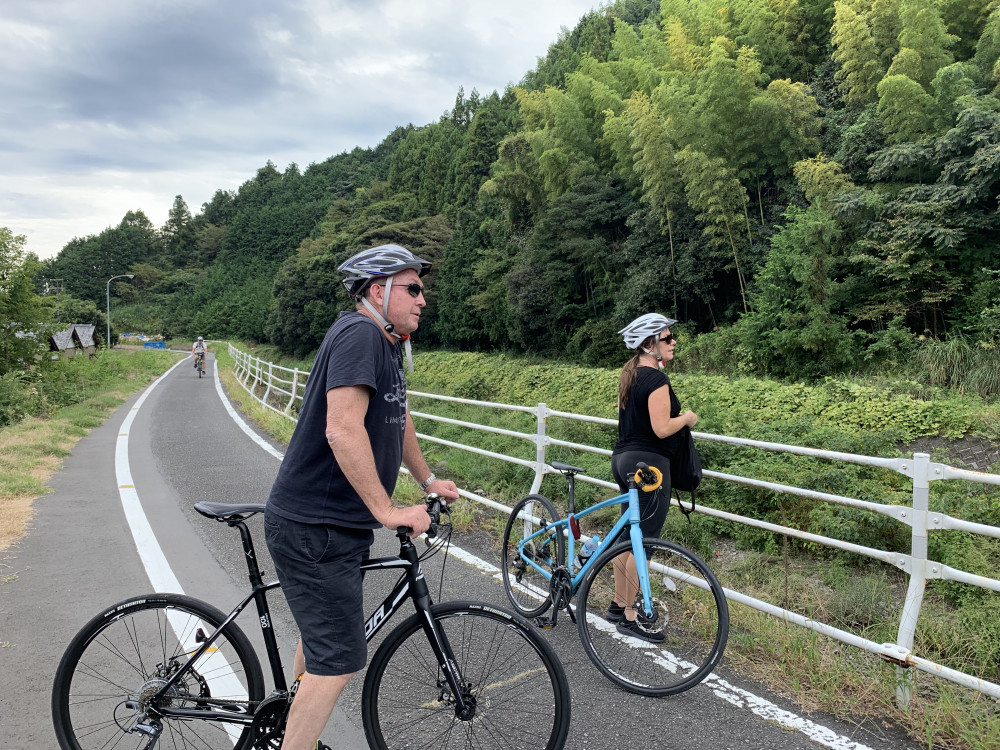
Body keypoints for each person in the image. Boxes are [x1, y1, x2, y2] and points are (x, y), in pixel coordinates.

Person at [264, 243, 459, 750]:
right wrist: (388, 510)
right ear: (378, 290)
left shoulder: (386, 343)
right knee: (339, 661)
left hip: (333, 526)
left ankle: (291, 723)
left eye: (422, 289)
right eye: (412, 288)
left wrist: (427, 480)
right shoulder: (359, 335)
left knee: (322, 640)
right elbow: (342, 429)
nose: (423, 298)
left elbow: (398, 416)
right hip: (316, 525)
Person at [608, 313, 698, 642]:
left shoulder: (631, 376)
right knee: (642, 542)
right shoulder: (657, 381)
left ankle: (619, 604)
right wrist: (687, 417)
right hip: (650, 468)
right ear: (650, 345)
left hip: (623, 460)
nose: (674, 343)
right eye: (668, 338)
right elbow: (662, 428)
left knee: (627, 540)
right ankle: (631, 615)